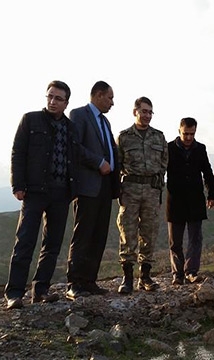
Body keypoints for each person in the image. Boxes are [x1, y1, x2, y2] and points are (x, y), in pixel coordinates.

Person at [4, 80, 77, 310]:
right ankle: (14, 294)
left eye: (58, 98)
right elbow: (18, 152)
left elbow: (75, 157)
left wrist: (72, 190)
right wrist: (18, 184)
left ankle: (41, 290)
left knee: (52, 244)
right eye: (50, 97)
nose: (52, 102)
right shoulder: (30, 119)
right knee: (25, 241)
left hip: (61, 193)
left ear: (66, 103)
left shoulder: (71, 128)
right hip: (34, 191)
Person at [66, 81, 120, 300]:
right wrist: (98, 161)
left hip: (105, 187)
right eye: (110, 97)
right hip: (88, 185)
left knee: (99, 234)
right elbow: (75, 146)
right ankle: (74, 283)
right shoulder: (79, 115)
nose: (112, 103)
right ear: (98, 95)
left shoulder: (105, 121)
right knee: (83, 234)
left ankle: (89, 281)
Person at [116, 97, 168, 294]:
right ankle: (127, 278)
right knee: (127, 232)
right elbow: (118, 164)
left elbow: (164, 163)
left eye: (150, 112)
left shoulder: (159, 137)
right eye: (143, 111)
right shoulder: (124, 137)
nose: (146, 115)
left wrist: (157, 185)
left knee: (149, 232)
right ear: (135, 112)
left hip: (152, 191)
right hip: (130, 189)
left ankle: (145, 277)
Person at [166, 117, 214, 285]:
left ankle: (191, 271)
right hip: (175, 201)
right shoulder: (169, 148)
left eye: (192, 134)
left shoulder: (200, 149)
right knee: (175, 241)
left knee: (195, 238)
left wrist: (212, 195)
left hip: (195, 200)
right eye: (185, 134)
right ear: (179, 131)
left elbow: (207, 173)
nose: (188, 138)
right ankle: (177, 274)